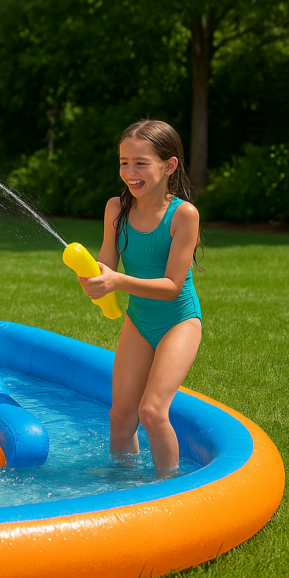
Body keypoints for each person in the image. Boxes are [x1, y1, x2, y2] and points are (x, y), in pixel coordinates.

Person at [77, 120, 203, 478]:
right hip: (141, 319)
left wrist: (116, 281)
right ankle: (124, 489)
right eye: (123, 162)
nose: (130, 172)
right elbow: (106, 262)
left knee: (152, 411)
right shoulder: (116, 209)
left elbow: (171, 286)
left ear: (169, 165)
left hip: (178, 321)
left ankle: (170, 489)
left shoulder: (183, 215)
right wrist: (94, 274)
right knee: (121, 415)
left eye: (141, 162)